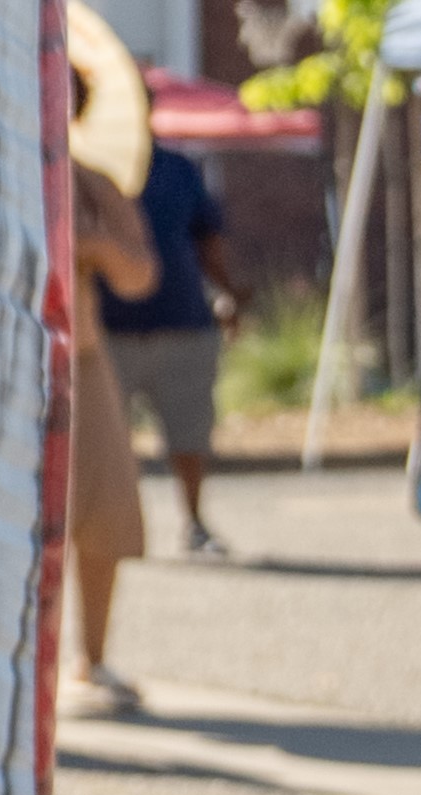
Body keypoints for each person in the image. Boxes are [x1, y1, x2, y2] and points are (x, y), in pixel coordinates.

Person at [102, 141, 246, 557]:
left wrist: (229, 291)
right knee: (106, 443)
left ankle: (195, 523)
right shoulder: (87, 164)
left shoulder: (177, 167)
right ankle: (112, 531)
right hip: (109, 330)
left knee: (190, 434)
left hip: (183, 321)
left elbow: (206, 236)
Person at [71, 154, 162, 712]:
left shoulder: (90, 182)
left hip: (78, 357)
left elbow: (139, 278)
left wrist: (93, 244)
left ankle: (92, 657)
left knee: (105, 506)